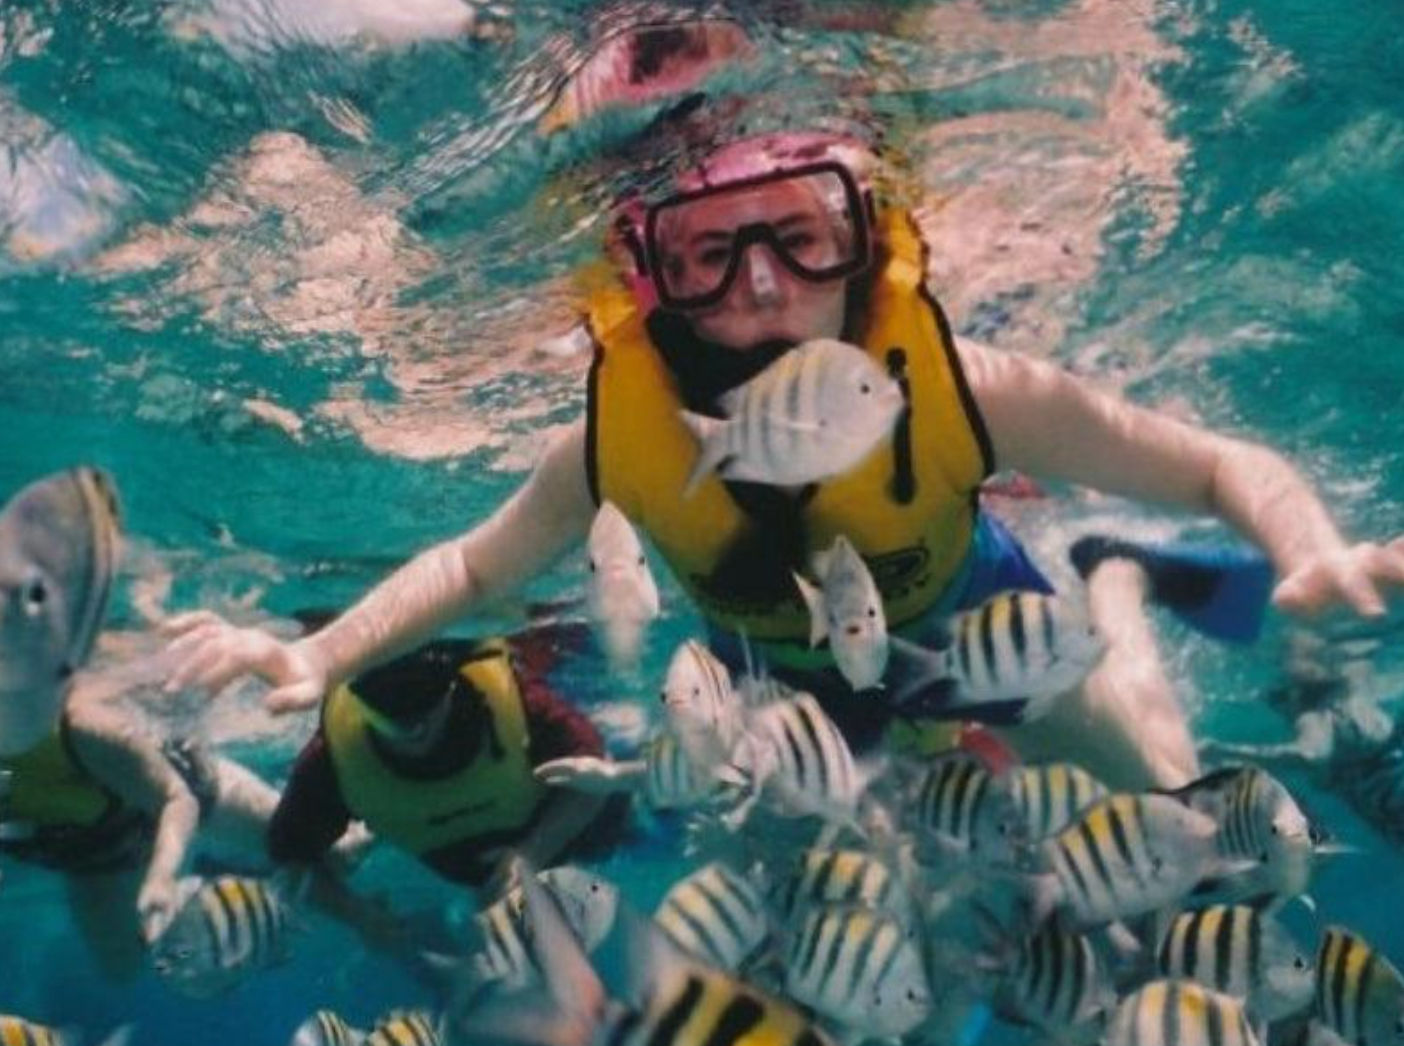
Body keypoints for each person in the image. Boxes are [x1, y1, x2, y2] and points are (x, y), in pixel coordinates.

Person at [162, 130, 1404, 793]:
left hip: (978, 619)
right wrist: (319, 651)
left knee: (1166, 782)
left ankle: (1116, 592)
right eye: (709, 254)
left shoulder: (973, 391)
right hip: (771, 682)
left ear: (860, 242)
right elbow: (474, 560)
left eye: (804, 238)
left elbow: (1214, 465)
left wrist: (1303, 544)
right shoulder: (614, 438)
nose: (761, 286)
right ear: (655, 285)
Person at [0, 466, 332, 981]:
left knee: (326, 849)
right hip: (89, 850)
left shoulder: (79, 724)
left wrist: (162, 873)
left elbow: (176, 798)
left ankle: (222, 877)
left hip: (178, 796)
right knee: (122, 970)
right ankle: (219, 879)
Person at [260, 627, 621, 892]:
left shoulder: (512, 700)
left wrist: (532, 854)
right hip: (484, 887)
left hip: (585, 837)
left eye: (423, 685)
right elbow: (291, 854)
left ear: (452, 674)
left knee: (632, 826)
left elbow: (597, 769)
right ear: (355, 689)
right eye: (383, 691)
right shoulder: (333, 758)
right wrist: (373, 927)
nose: (412, 719)